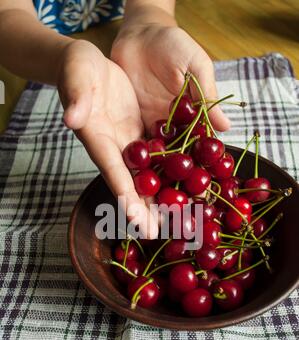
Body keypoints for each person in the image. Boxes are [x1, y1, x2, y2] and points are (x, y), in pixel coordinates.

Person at [0, 0, 230, 238]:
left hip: (116, 27)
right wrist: (61, 58)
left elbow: (152, 5)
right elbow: (6, 14)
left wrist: (147, 26)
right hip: (31, 55)